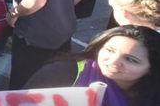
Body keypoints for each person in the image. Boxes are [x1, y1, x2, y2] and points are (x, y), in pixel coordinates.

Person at [25, 26, 160, 106]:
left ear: (151, 69)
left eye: (130, 59)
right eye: (110, 50)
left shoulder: (153, 94)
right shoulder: (62, 72)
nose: (113, 61)